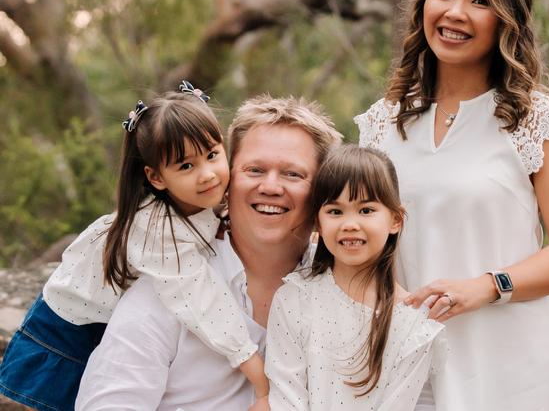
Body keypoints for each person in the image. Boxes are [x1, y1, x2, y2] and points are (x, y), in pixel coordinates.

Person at [355, 0, 549, 411]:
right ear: (423, 2)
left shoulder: (538, 121)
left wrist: (487, 287)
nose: (455, 12)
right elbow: (360, 242)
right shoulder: (381, 124)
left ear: (506, 19)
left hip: (508, 368)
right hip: (407, 367)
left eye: (480, 1)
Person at [0, 83, 267, 411]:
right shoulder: (154, 228)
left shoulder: (204, 196)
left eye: (212, 155)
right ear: (156, 178)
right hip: (73, 326)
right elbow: (201, 300)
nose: (207, 175)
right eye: (186, 166)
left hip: (108, 318)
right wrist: (252, 364)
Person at [75, 95, 342, 410]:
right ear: (229, 179)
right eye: (255, 170)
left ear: (323, 190)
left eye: (292, 174)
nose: (270, 187)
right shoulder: (168, 289)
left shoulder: (341, 289)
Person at [265, 145, 447, 411]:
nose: (350, 224)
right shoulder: (295, 299)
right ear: (319, 222)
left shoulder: (415, 323)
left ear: (396, 220)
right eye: (335, 211)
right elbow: (285, 396)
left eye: (366, 210)